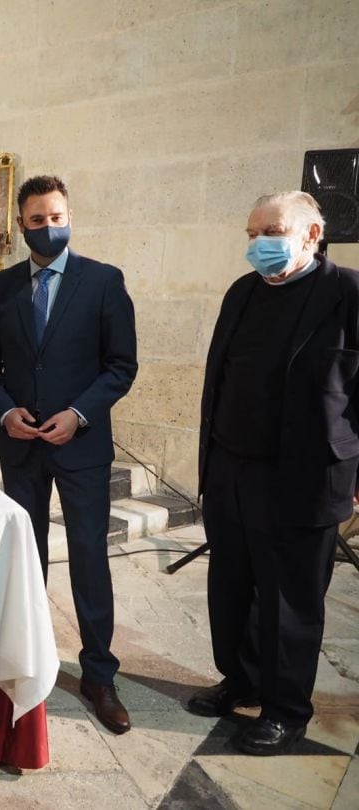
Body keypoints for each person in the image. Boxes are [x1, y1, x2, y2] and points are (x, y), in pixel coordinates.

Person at [188, 191, 355, 755]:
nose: (259, 243)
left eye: (272, 230)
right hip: (232, 470)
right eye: (252, 232)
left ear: (311, 234)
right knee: (230, 590)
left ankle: (286, 709)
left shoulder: (346, 292)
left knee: (290, 602)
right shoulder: (242, 292)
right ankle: (240, 680)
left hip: (305, 480)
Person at [0, 174, 138, 735]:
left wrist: (79, 414)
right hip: (22, 446)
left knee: (90, 558)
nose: (50, 227)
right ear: (21, 224)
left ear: (71, 217)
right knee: (27, 555)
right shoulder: (1, 287)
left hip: (80, 444)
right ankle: (28, 659)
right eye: (38, 219)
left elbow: (121, 365)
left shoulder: (104, 282)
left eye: (58, 217)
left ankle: (98, 674)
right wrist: (4, 411)